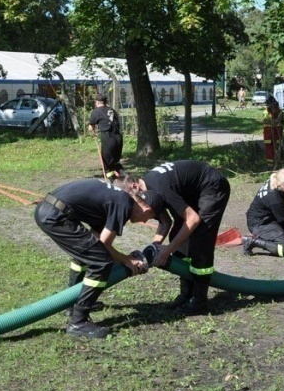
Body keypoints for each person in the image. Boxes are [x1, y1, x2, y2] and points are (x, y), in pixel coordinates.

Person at [34, 176, 157, 339]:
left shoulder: (114, 199)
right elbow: (104, 248)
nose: (143, 221)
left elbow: (99, 242)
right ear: (146, 208)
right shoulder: (124, 203)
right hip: (56, 217)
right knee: (101, 263)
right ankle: (78, 322)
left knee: (89, 255)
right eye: (147, 218)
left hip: (49, 210)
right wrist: (126, 260)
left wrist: (122, 259)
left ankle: (73, 305)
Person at [137, 160, 231, 314]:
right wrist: (155, 246)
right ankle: (186, 294)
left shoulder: (160, 188)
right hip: (191, 193)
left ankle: (199, 301)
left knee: (201, 240)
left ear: (136, 188)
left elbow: (192, 219)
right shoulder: (150, 191)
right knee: (178, 235)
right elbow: (166, 222)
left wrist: (167, 251)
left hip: (212, 187)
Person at [87, 93, 124, 179]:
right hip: (118, 138)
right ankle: (123, 178)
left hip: (108, 138)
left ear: (97, 102)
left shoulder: (96, 111)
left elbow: (90, 127)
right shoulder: (112, 110)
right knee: (116, 162)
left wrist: (92, 130)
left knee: (107, 163)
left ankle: (112, 181)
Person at [263, 95, 284, 166]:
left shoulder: (279, 112)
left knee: (278, 147)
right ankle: (270, 164)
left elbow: (280, 120)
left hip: (277, 133)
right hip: (268, 133)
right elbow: (266, 121)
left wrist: (275, 121)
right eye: (268, 104)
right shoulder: (266, 112)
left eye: (270, 104)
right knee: (269, 148)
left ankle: (279, 162)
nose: (269, 106)